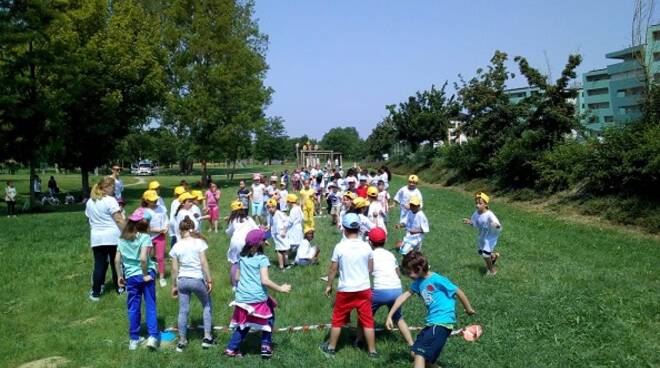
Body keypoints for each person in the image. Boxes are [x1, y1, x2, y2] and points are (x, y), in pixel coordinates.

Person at [386, 251, 476, 368]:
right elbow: (403, 297)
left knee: (420, 354)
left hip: (441, 322)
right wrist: (389, 316)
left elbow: (457, 291)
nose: (408, 276)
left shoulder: (437, 279)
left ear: (418, 269)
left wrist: (468, 309)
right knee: (415, 353)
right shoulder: (418, 283)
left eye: (409, 273)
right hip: (432, 323)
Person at [225, 229, 292, 359]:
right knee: (269, 318)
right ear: (257, 244)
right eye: (263, 239)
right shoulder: (262, 259)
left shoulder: (242, 257)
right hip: (256, 298)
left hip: (242, 298)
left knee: (244, 323)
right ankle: (266, 347)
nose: (265, 241)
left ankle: (231, 349)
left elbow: (237, 277)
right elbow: (264, 280)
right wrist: (281, 288)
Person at [320, 213, 378, 358]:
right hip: (364, 289)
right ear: (359, 229)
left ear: (344, 229)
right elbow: (370, 269)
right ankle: (372, 351)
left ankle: (331, 348)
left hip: (346, 290)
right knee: (367, 320)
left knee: (338, 319)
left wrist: (329, 285)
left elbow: (333, 268)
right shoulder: (366, 246)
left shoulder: (340, 247)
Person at [354, 228, 414, 348]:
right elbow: (398, 273)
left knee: (364, 315)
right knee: (398, 317)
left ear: (369, 242)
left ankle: (358, 340)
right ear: (385, 240)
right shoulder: (391, 255)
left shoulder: (369, 255)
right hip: (397, 290)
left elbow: (367, 272)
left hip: (380, 291)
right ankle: (411, 343)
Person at [114, 207, 159, 350]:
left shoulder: (122, 238)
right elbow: (144, 259)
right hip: (145, 275)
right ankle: (152, 337)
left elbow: (116, 260)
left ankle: (134, 339)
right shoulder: (145, 237)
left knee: (133, 307)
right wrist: (145, 274)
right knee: (150, 305)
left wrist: (120, 276)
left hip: (131, 277)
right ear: (143, 224)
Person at [170, 217, 215, 352]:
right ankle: (207, 337)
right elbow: (203, 263)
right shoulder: (199, 243)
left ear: (180, 230)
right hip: (196, 279)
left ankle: (182, 341)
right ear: (192, 228)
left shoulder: (176, 245)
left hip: (182, 280)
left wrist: (174, 285)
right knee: (207, 305)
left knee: (183, 310)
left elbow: (174, 269)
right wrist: (209, 280)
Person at [85, 176, 126, 301]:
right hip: (112, 237)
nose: (114, 189)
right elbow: (118, 218)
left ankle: (95, 293)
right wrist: (127, 232)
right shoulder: (110, 200)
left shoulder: (90, 201)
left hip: (97, 238)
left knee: (99, 265)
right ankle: (120, 288)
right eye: (113, 187)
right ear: (106, 187)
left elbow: (88, 218)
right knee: (116, 263)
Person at [463, 192, 502, 276]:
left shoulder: (489, 214)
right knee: (481, 251)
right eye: (476, 203)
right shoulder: (476, 213)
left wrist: (495, 225)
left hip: (491, 236)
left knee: (485, 255)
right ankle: (494, 256)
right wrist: (470, 222)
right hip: (482, 235)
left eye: (480, 203)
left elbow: (498, 225)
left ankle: (492, 271)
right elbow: (476, 224)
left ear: (485, 204)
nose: (477, 205)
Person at [226, 201, 258, 288]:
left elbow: (229, 232)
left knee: (235, 262)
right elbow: (256, 230)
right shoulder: (249, 219)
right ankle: (249, 282)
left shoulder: (233, 220)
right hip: (246, 241)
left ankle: (235, 286)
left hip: (235, 242)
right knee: (248, 261)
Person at [142, 190, 169, 288]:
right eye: (152, 200)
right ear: (146, 200)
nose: (154, 202)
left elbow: (166, 219)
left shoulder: (161, 208)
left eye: (155, 200)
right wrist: (156, 230)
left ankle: (161, 277)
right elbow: (143, 227)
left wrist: (166, 227)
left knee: (160, 257)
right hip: (147, 237)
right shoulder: (144, 211)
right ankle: (146, 274)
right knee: (145, 256)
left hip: (160, 236)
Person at [267, 198, 291, 270]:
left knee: (285, 249)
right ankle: (281, 266)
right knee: (280, 250)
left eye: (272, 207)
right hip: (276, 235)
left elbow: (287, 221)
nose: (270, 209)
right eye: (269, 207)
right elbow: (271, 223)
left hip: (281, 234)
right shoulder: (270, 215)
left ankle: (286, 263)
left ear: (276, 207)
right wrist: (268, 227)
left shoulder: (279, 213)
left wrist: (284, 230)